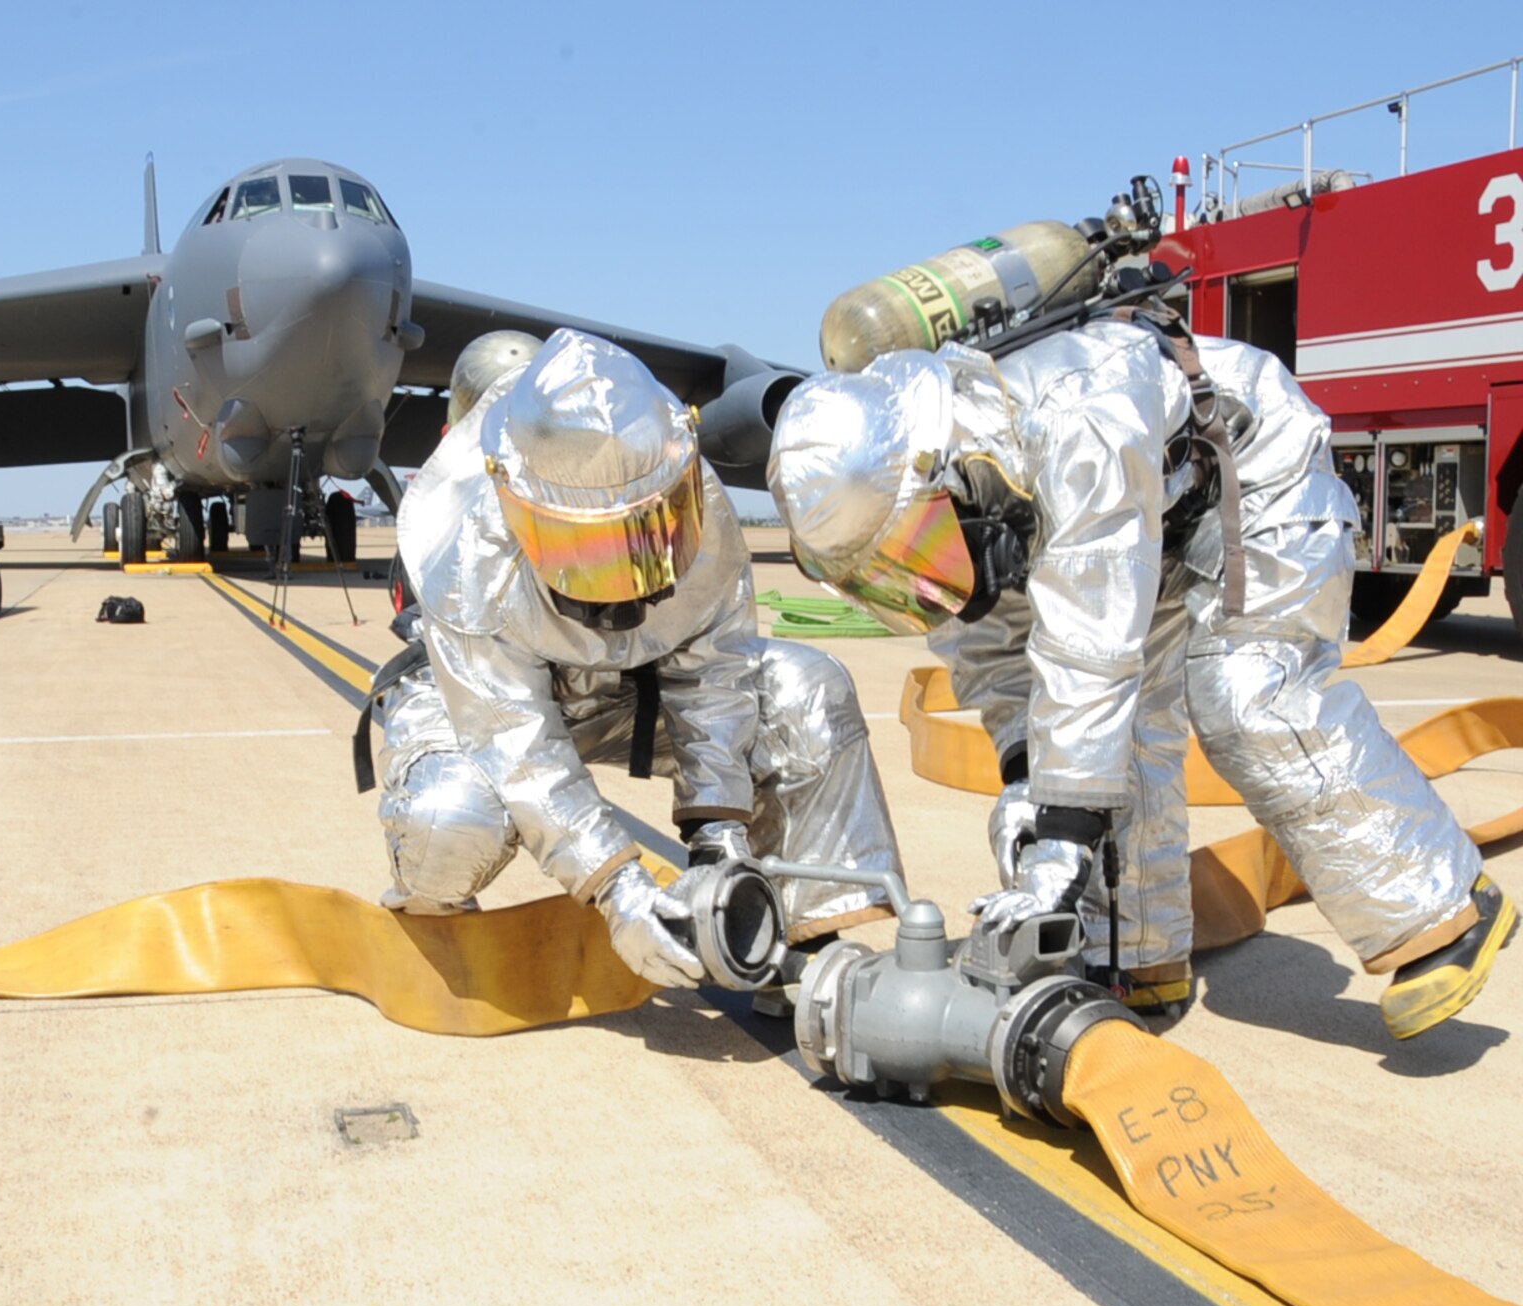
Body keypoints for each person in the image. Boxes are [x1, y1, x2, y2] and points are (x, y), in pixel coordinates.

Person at [767, 319, 1513, 1040]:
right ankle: (1140, 957)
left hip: (1251, 476)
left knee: (1244, 692)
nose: (917, 574)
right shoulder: (952, 515)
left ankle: (1443, 907)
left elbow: (1092, 642)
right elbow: (1002, 666)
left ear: (937, 476)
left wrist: (1061, 839)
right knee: (1111, 754)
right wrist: (1029, 788)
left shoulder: (1075, 416)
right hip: (1149, 515)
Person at [363, 327, 904, 996]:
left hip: (624, 692)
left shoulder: (692, 496)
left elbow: (716, 671)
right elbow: (517, 741)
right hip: (474, 704)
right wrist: (619, 889)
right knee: (450, 821)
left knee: (807, 689)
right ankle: (434, 927)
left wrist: (718, 834)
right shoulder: (470, 547)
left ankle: (791, 937)